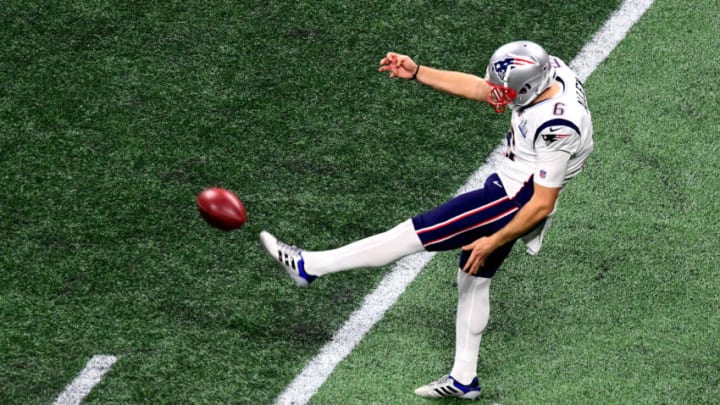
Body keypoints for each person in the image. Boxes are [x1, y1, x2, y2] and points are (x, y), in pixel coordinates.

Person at [260, 40, 594, 400]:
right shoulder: (549, 72)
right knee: (472, 279)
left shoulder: (557, 125)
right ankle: (465, 379)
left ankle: (311, 265)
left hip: (514, 199)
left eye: (506, 91)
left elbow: (542, 203)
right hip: (513, 183)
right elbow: (482, 89)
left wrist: (494, 238)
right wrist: (418, 72)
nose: (497, 95)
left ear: (527, 88)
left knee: (412, 234)